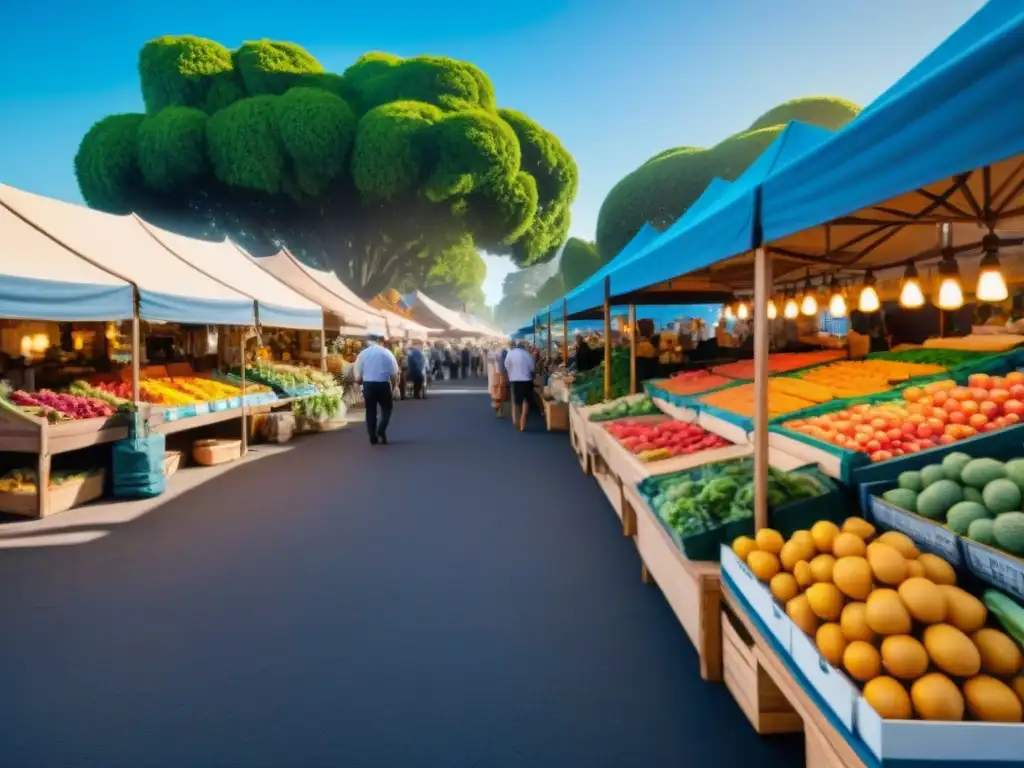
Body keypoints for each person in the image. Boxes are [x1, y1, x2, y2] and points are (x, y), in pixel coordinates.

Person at [353, 334, 400, 445]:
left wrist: (358, 383)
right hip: (383, 384)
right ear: (380, 341)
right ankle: (381, 429)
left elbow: (357, 374)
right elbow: (394, 372)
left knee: (370, 411)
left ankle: (372, 435)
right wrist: (394, 387)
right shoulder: (387, 353)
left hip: (368, 385)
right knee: (387, 409)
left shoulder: (363, 354)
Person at [505, 340, 538, 431]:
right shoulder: (527, 354)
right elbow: (532, 368)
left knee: (515, 400)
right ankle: (523, 417)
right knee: (525, 400)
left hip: (514, 379)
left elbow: (506, 365)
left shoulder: (510, 353)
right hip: (526, 379)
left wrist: (510, 374)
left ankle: (515, 419)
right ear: (523, 347)